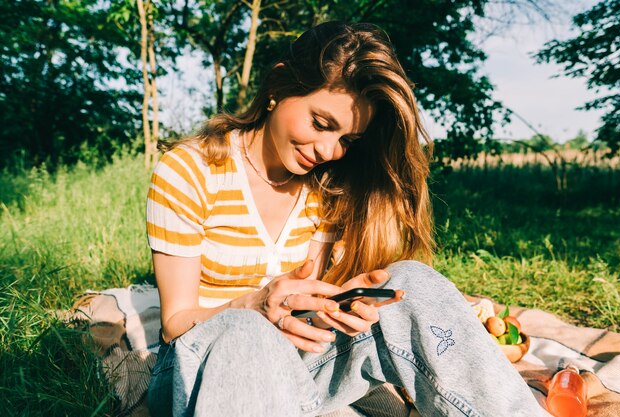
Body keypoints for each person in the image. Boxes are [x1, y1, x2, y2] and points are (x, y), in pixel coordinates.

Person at [146, 21, 547, 417]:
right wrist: (253, 305)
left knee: (412, 282)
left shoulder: (323, 186)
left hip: (296, 363)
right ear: (279, 87)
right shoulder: (192, 169)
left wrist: (338, 303)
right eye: (321, 124)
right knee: (247, 331)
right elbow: (175, 323)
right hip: (200, 366)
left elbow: (306, 304)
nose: (327, 150)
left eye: (346, 140)